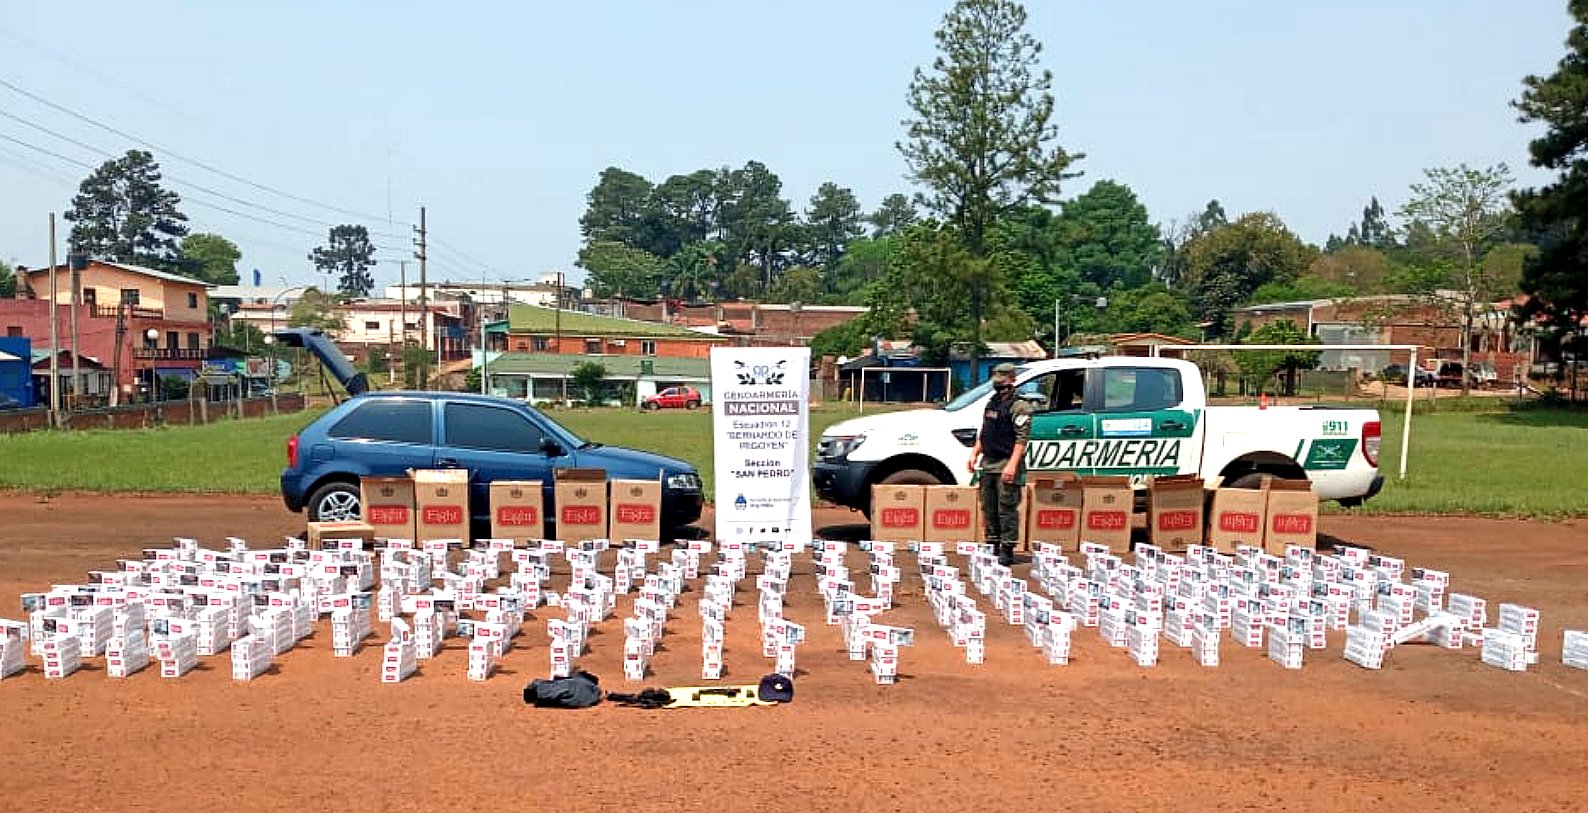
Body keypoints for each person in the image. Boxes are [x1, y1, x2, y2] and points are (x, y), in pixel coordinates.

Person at [968, 362, 1033, 566]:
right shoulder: (992, 402)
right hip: (989, 463)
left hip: (1006, 462)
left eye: (1003, 382)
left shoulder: (1020, 406)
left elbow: (1021, 439)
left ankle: (1007, 548)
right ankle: (992, 544)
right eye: (997, 382)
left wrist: (1012, 465)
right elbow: (985, 431)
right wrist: (974, 453)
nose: (1000, 386)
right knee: (989, 507)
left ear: (1012, 380)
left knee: (1006, 508)